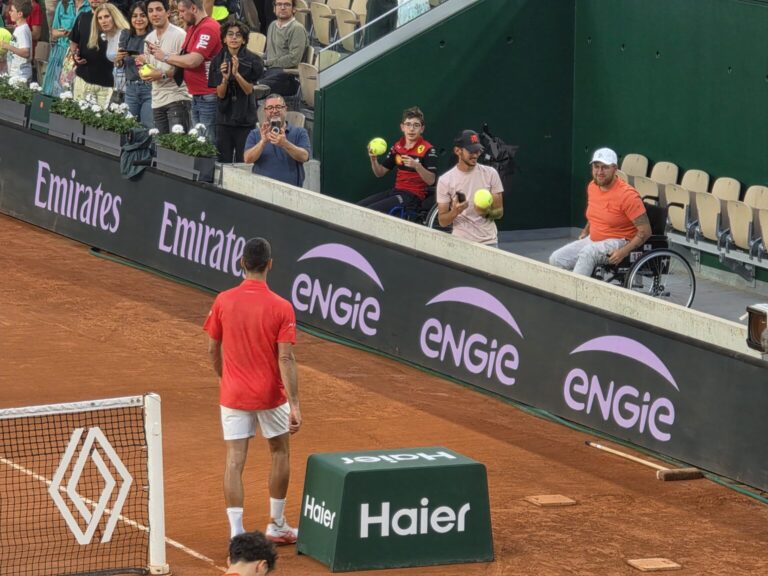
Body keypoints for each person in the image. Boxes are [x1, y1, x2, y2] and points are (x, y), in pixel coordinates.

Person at [203, 237, 302, 545]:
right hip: (270, 396)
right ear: (269, 265)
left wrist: (225, 377)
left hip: (233, 394)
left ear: (241, 263)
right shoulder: (282, 307)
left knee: (234, 460)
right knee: (280, 452)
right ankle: (277, 525)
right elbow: (285, 358)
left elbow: (212, 349)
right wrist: (295, 405)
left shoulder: (223, 300)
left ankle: (236, 532)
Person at [549, 147, 651, 276]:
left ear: (615, 169)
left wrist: (623, 252)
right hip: (594, 239)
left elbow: (645, 231)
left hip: (620, 241)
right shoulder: (592, 186)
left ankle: (578, 288)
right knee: (556, 259)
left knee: (588, 253)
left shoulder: (628, 195)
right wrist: (586, 231)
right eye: (596, 167)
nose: (599, 172)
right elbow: (595, 213)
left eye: (605, 167)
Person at [146, 0, 221, 141]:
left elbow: (193, 61)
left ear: (193, 8)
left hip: (208, 95)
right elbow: (183, 56)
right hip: (197, 95)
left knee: (208, 142)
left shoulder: (208, 28)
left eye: (182, 11)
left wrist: (165, 57)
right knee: (199, 142)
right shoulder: (193, 27)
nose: (180, 16)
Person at [359, 105, 437, 214]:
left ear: (422, 129)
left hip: (413, 196)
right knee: (358, 207)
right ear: (402, 127)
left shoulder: (428, 149)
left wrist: (416, 166)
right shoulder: (397, 147)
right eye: (408, 124)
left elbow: (431, 180)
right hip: (396, 191)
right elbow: (380, 173)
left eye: (416, 125)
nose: (411, 129)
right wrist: (373, 159)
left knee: (371, 211)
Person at [436, 129, 505, 246]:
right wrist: (456, 211)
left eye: (478, 150)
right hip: (460, 243)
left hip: (489, 242)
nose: (476, 155)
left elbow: (499, 212)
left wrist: (486, 213)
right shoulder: (445, 180)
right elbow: (442, 221)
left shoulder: (491, 173)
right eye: (471, 151)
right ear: (457, 151)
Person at [208, 18, 262, 162]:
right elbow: (220, 94)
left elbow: (248, 90)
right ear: (224, 39)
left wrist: (237, 74)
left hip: (245, 118)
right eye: (230, 34)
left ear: (244, 40)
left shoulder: (254, 60)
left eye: (238, 35)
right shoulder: (217, 60)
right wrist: (225, 78)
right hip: (224, 118)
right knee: (223, 161)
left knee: (243, 161)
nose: (234, 38)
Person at [138, 0, 189, 133]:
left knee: (177, 143)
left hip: (177, 98)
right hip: (156, 99)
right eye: (150, 11)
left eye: (159, 9)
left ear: (168, 12)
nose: (154, 14)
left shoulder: (180, 35)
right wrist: (143, 72)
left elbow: (186, 67)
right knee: (160, 144)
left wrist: (162, 74)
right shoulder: (149, 38)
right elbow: (148, 65)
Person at [243, 93, 310, 186]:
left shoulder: (299, 132)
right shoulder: (255, 134)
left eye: (278, 107)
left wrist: (285, 143)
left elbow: (304, 157)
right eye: (270, 108)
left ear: (285, 109)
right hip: (262, 188)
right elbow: (247, 159)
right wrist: (262, 142)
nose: (274, 111)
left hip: (291, 190)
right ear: (265, 111)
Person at [69, 0, 114, 106]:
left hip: (105, 84)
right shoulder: (82, 17)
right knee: (77, 115)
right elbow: (74, 43)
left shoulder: (115, 20)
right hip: (82, 80)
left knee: (101, 117)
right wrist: (75, 55)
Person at [115, 1, 152, 126]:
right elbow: (119, 64)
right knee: (129, 127)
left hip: (149, 87)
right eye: (135, 16)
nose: (138, 19)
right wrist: (118, 60)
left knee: (147, 126)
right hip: (130, 88)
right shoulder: (126, 34)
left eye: (142, 15)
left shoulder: (154, 36)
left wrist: (146, 59)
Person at [259, 0, 306, 96]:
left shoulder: (297, 28)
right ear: (274, 8)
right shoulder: (272, 25)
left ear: (294, 9)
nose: (282, 7)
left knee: (255, 86)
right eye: (279, 4)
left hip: (287, 76)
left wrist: (267, 63)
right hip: (270, 71)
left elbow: (293, 59)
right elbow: (268, 53)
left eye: (287, 5)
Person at [42, 0, 86, 96]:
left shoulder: (90, 6)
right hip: (60, 52)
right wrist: (65, 33)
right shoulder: (63, 4)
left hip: (78, 54)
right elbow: (54, 32)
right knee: (52, 90)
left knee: (71, 92)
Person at [92, 2, 129, 101]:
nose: (103, 21)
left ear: (114, 17)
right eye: (100, 18)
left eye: (107, 16)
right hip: (117, 86)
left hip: (130, 87)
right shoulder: (105, 36)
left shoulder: (124, 34)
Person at [1, 0, 33, 82]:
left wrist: (7, 46)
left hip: (21, 75)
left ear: (20, 14)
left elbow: (26, 52)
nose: (9, 12)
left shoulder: (22, 30)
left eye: (12, 10)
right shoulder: (20, 28)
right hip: (16, 73)